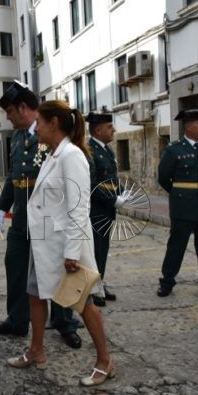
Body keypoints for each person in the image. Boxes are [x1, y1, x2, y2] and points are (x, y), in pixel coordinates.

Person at [6, 100, 115, 387]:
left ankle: (105, 360)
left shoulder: (72, 156)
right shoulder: (54, 154)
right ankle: (36, 350)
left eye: (39, 122)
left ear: (53, 123)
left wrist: (72, 252)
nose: (36, 127)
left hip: (64, 245)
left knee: (84, 303)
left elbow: (79, 207)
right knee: (35, 294)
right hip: (43, 243)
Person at [0, 81, 82, 349]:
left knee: (54, 271)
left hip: (46, 220)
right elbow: (14, 176)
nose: (7, 116)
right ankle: (17, 320)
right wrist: (2, 206)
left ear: (23, 108)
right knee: (15, 267)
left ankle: (64, 322)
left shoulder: (52, 135)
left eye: (9, 111)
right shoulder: (17, 136)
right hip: (22, 218)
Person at [157, 109, 198, 300]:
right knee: (176, 246)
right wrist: (180, 194)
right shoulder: (174, 149)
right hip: (183, 207)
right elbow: (163, 178)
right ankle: (167, 282)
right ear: (188, 126)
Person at [87, 111, 123, 306]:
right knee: (95, 250)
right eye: (110, 127)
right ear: (98, 130)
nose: (114, 130)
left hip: (106, 209)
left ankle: (99, 284)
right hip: (96, 209)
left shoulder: (106, 149)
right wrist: (112, 200)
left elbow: (111, 178)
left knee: (103, 249)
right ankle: (93, 290)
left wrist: (122, 193)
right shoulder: (89, 150)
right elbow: (92, 184)